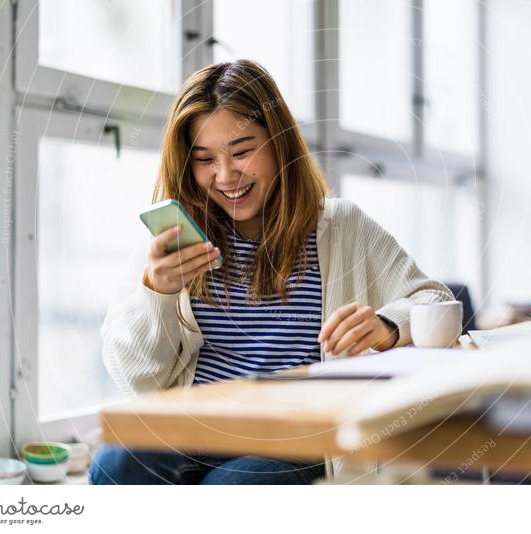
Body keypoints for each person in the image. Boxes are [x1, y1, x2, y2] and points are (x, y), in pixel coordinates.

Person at [88, 59, 453, 485]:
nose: (225, 176)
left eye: (242, 152)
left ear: (280, 143)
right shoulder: (177, 238)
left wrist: (389, 325)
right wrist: (159, 293)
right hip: (197, 427)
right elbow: (132, 376)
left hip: (294, 439)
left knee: (235, 488)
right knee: (113, 465)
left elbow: (436, 299)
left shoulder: (339, 227)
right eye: (205, 159)